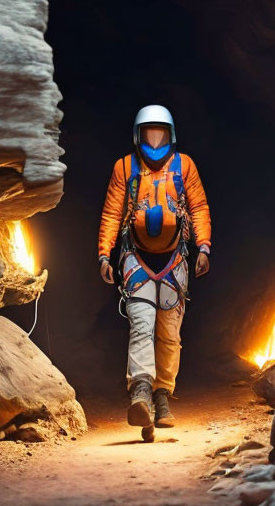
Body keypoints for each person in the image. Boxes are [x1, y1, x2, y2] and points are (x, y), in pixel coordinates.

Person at [97, 104, 211, 431]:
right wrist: (105, 253)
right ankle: (142, 390)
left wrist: (203, 246)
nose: (155, 140)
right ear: (138, 136)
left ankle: (162, 395)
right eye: (149, 134)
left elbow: (199, 206)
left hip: (175, 259)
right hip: (137, 258)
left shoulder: (183, 166)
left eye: (161, 133)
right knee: (141, 325)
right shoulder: (125, 168)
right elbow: (111, 213)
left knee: (169, 335)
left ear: (171, 135)